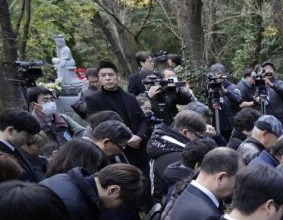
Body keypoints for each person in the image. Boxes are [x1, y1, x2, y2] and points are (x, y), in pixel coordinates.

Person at [85, 61, 150, 196]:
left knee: (145, 185)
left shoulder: (130, 97)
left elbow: (143, 119)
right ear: (99, 78)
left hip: (139, 147)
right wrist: (125, 141)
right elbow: (97, 125)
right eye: (103, 75)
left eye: (110, 74)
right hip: (117, 151)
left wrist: (140, 136)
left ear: (118, 76)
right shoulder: (93, 100)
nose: (107, 78)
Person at [146, 110, 207, 202]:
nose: (200, 140)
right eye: (198, 136)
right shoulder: (179, 156)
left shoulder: (164, 144)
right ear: (185, 132)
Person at [26, 87, 85, 156]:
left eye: (51, 99)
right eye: (45, 100)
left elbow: (82, 132)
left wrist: (75, 146)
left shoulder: (62, 118)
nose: (50, 103)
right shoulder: (29, 124)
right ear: (34, 105)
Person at [0, 109, 43, 182]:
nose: (29, 141)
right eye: (27, 136)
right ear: (11, 130)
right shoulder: (2, 157)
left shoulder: (13, 147)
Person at [205, 63, 243, 140]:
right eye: (215, 73)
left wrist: (225, 91)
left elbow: (238, 99)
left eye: (220, 73)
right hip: (218, 124)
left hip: (231, 125)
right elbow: (210, 106)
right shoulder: (211, 88)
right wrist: (209, 91)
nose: (218, 76)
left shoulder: (231, 87)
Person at [260, 62, 283, 133]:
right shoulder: (260, 84)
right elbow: (256, 98)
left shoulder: (280, 83)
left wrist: (272, 85)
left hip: (280, 117)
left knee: (281, 139)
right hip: (266, 117)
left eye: (270, 69)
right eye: (266, 69)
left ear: (274, 71)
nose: (268, 71)